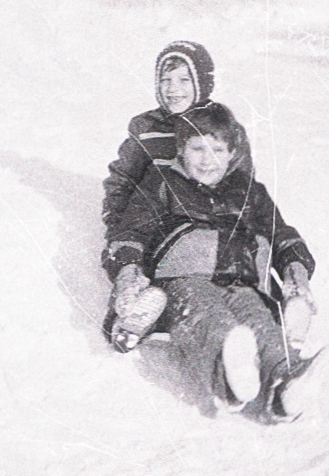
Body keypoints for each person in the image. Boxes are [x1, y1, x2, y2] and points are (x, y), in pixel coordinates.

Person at [104, 105, 317, 421]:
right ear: (182, 150)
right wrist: (128, 270)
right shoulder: (163, 183)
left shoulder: (249, 191)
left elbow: (280, 232)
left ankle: (286, 385)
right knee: (209, 320)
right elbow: (131, 229)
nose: (207, 159)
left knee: (258, 320)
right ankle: (230, 379)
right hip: (184, 278)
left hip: (241, 281)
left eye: (217, 149)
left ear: (232, 153)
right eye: (197, 148)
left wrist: (294, 266)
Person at [100, 41, 255, 349]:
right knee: (133, 263)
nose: (174, 89)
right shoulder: (147, 127)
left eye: (185, 80)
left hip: (204, 223)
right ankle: (130, 310)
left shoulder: (223, 127)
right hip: (153, 217)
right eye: (166, 80)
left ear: (202, 83)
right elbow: (123, 178)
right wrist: (118, 226)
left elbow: (242, 183)